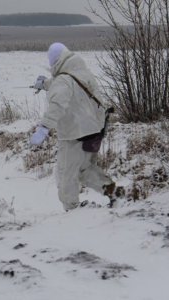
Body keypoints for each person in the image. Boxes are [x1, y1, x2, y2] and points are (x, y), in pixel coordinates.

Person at [30, 42, 124, 211]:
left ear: (54, 61)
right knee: (85, 170)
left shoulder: (63, 80)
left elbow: (57, 104)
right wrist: (45, 84)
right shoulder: (80, 71)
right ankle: (114, 191)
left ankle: (72, 211)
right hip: (94, 129)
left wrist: (44, 128)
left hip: (74, 134)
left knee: (66, 174)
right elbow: (64, 84)